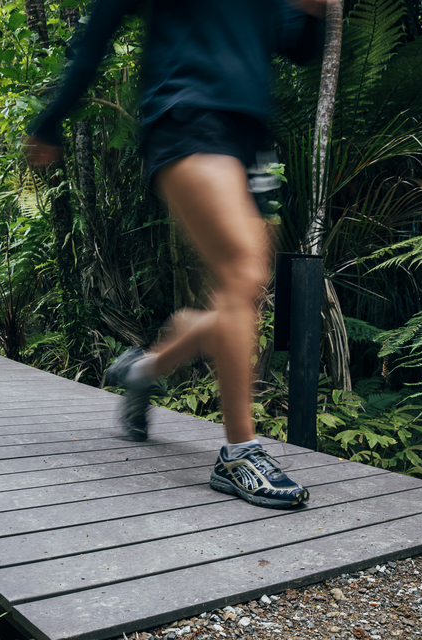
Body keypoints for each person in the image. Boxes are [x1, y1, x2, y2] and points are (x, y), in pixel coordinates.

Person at [25, 0, 327, 509]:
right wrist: (51, 120)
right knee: (240, 272)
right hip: (185, 117)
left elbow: (297, 45)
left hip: (251, 137)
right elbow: (97, 33)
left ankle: (143, 370)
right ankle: (238, 454)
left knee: (244, 292)